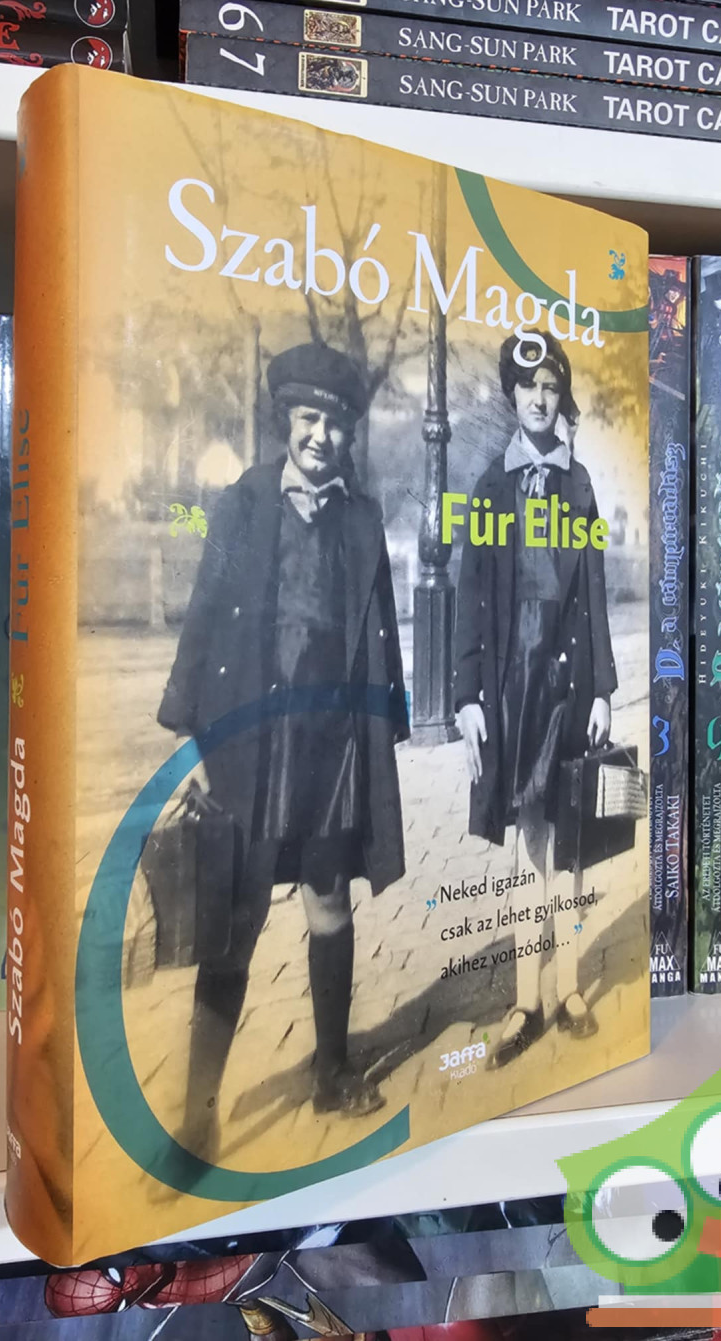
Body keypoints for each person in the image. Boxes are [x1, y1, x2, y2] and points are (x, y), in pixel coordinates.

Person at [157, 341, 409, 1152]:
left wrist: (385, 735)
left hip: (332, 752)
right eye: (308, 419)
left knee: (330, 901)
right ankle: (197, 1114)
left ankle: (331, 1071)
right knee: (236, 923)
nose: (320, 437)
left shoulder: (361, 519)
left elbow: (380, 631)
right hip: (254, 750)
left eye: (334, 424)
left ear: (348, 432)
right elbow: (203, 618)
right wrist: (194, 738)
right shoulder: (243, 505)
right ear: (286, 422)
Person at [453, 332, 616, 1065]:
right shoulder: (491, 486)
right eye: (529, 388)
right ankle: (527, 997)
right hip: (513, 685)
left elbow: (594, 591)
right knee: (529, 839)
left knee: (572, 833)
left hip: (568, 682)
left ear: (561, 397)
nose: (541, 399)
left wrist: (603, 689)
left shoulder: (580, 486)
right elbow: (470, 597)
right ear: (512, 396)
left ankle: (571, 984)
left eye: (552, 387)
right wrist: (468, 694)